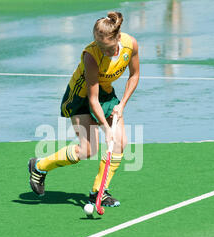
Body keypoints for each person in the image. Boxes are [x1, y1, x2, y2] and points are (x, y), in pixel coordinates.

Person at [28, 11, 140, 208]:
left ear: (117, 38)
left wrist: (121, 105)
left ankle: (98, 193)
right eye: (99, 46)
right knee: (88, 150)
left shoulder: (130, 45)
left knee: (120, 142)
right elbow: (92, 98)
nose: (103, 51)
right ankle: (39, 166)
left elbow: (134, 75)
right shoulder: (91, 56)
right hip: (80, 97)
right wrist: (106, 128)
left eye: (107, 48)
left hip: (105, 94)